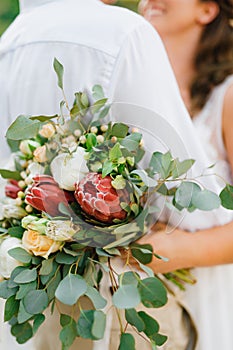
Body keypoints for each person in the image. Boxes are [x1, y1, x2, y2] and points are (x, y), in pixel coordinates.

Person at [0, 0, 229, 349]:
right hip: (112, 299)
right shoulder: (127, 69)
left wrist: (163, 248)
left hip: (193, 290)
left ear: (207, 11)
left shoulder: (225, 97)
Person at [137, 0, 233, 349]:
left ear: (207, 10)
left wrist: (175, 249)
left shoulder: (227, 97)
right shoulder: (134, 96)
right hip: (142, 304)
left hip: (209, 294)